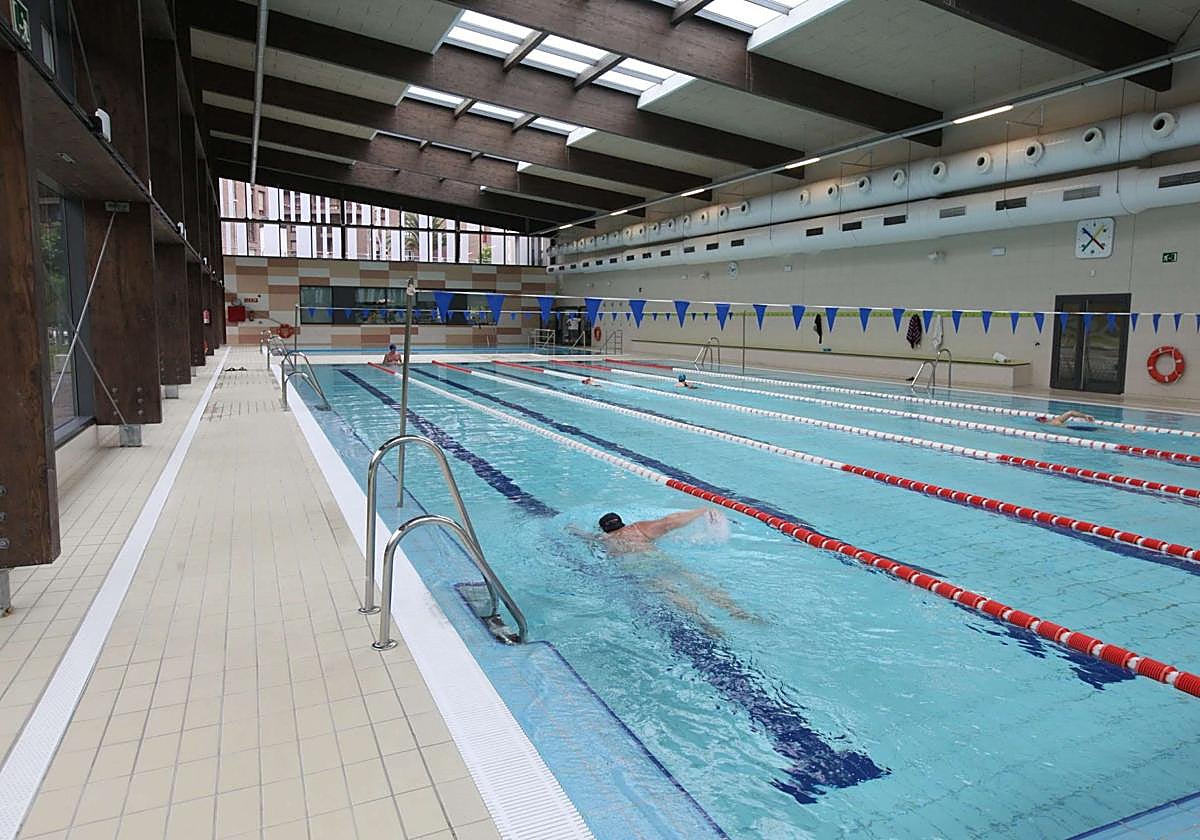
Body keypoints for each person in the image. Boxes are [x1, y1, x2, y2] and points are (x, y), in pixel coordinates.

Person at [596, 508, 711, 552]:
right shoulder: (638, 528)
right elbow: (669, 522)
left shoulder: (604, 538)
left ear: (604, 529)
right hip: (654, 556)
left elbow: (583, 535)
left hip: (635, 566)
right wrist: (702, 511)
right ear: (622, 523)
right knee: (693, 581)